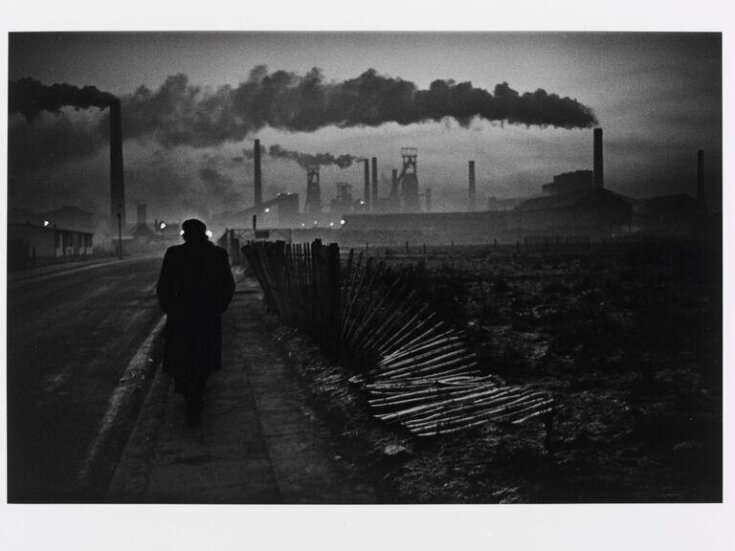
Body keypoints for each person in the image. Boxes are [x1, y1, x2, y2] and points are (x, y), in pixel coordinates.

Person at [156, 219, 235, 425]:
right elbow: (228, 284)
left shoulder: (174, 254)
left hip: (182, 314)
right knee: (205, 356)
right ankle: (196, 393)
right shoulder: (218, 255)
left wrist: (170, 308)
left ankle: (190, 394)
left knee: (183, 356)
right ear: (204, 234)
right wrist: (220, 306)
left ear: (185, 235)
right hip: (208, 314)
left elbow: (163, 286)